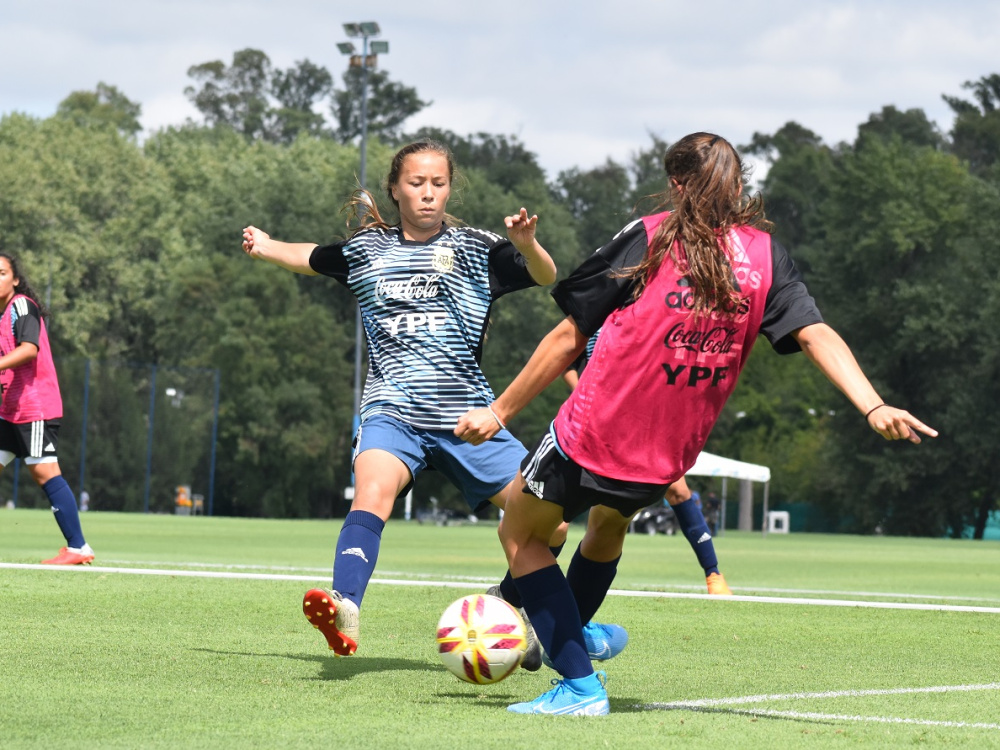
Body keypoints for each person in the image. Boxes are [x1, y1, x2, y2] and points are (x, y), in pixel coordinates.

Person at [454, 132, 937, 715]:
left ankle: (579, 682)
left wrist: (500, 410)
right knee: (608, 525)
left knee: (521, 536)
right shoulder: (765, 256)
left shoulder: (653, 236)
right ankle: (573, 640)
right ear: (738, 186)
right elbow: (814, 331)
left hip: (596, 430)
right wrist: (873, 404)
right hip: (668, 452)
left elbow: (569, 334)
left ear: (679, 185)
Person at [240, 140, 565, 662]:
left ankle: (508, 604)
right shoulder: (367, 251)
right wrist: (267, 244)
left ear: (450, 187)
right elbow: (312, 258)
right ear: (395, 188)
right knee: (372, 491)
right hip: (393, 410)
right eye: (417, 183)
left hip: (466, 417)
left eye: (438, 183)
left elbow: (546, 275)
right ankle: (345, 604)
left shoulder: (475, 248)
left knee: (553, 521)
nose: (429, 193)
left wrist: (527, 244)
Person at [566, 328, 733, 595]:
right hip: (596, 421)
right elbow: (566, 357)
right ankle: (535, 592)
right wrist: (586, 398)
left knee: (678, 490)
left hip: (644, 417)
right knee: (577, 512)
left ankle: (713, 574)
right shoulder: (599, 305)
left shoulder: (653, 307)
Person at [0, 254, 95, 565]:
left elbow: (29, 350)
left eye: (1, 273)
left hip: (34, 407)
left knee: (45, 472)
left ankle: (78, 547)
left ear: (15, 279)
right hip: (8, 409)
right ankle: (77, 547)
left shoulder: (22, 306)